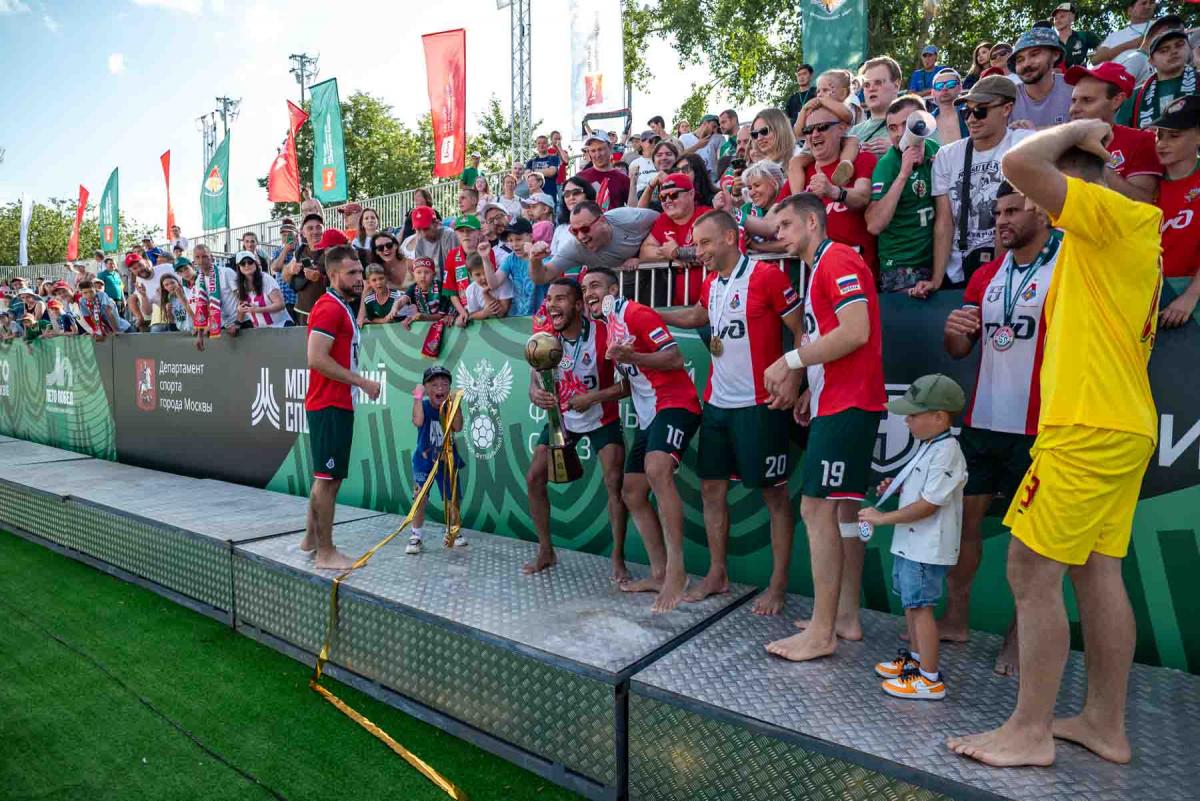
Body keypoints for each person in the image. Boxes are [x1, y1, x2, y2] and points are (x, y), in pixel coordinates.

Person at [947, 118, 1160, 768]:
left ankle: (1029, 731)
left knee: (1030, 569)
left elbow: (1018, 163)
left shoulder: (1107, 215)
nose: (1039, 205)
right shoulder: (1120, 232)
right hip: (1116, 422)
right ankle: (1103, 722)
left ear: (1079, 180)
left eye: (1051, 191)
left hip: (1088, 427)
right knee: (1096, 571)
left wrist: (1084, 127)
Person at [657, 211, 803, 615]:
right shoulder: (711, 283)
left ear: (728, 237)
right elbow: (698, 315)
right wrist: (654, 314)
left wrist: (795, 377)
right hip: (717, 403)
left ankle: (778, 583)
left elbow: (800, 329)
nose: (698, 251)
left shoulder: (766, 277)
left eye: (704, 243)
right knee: (711, 490)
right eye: (695, 244)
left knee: (774, 495)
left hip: (760, 405)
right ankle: (717, 573)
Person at [761, 193, 886, 661]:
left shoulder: (837, 259)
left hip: (850, 404)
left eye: (786, 226)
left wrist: (791, 360)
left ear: (812, 223)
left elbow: (856, 331)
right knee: (842, 513)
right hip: (837, 399)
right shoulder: (821, 266)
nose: (779, 235)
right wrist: (812, 387)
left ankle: (821, 632)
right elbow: (835, 339)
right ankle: (844, 618)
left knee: (816, 509)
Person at [941, 182, 1059, 672]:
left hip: (1039, 427)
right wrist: (954, 333)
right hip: (983, 421)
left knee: (1029, 542)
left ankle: (1017, 637)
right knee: (965, 525)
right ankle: (956, 619)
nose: (1002, 220)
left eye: (1013, 211)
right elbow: (959, 350)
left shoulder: (1066, 266)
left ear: (1042, 214)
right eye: (998, 213)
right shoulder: (986, 275)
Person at [582, 267, 701, 613]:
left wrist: (632, 356)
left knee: (657, 469)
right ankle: (659, 573)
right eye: (585, 288)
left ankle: (678, 572)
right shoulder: (607, 327)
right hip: (650, 417)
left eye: (595, 286)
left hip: (677, 404)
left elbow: (675, 357)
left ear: (613, 290)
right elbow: (628, 383)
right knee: (632, 492)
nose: (589, 293)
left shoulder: (635, 312)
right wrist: (593, 397)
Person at [862, 375, 967, 701]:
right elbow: (922, 491)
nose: (906, 420)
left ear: (939, 417)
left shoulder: (947, 451)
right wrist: (898, 488)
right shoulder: (930, 446)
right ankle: (917, 660)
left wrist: (883, 518)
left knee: (921, 608)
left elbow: (930, 504)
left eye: (913, 415)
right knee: (911, 605)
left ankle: (929, 679)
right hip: (911, 544)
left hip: (926, 547)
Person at [523, 278, 629, 576]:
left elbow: (628, 385)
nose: (551, 305)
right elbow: (534, 379)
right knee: (534, 477)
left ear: (579, 305)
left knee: (614, 483)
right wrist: (535, 393)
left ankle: (618, 559)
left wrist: (592, 398)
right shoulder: (544, 338)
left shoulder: (605, 333)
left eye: (560, 299)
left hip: (602, 418)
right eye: (549, 299)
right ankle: (546, 551)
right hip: (563, 419)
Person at [301, 246, 382, 569]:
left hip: (335, 403)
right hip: (330, 403)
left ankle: (310, 540)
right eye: (352, 273)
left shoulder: (341, 306)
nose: (360, 278)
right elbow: (316, 358)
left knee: (325, 477)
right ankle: (325, 552)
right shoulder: (329, 308)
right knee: (328, 481)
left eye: (361, 271)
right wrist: (361, 381)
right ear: (333, 275)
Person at [923, 76, 1031, 296]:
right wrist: (937, 279)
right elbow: (944, 221)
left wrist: (1000, 276)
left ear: (1006, 109)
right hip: (958, 273)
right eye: (966, 112)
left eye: (981, 111)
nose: (972, 119)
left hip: (1011, 270)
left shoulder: (1024, 143)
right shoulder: (947, 154)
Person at [791, 103, 879, 273]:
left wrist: (834, 191)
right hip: (817, 274)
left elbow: (862, 196)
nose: (815, 134)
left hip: (855, 270)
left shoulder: (862, 159)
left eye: (822, 127)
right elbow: (774, 219)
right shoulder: (802, 171)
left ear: (841, 129)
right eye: (809, 130)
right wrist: (742, 221)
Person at [867, 95, 940, 293]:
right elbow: (874, 225)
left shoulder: (937, 152)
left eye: (906, 124)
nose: (899, 133)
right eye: (892, 128)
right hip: (901, 266)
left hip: (939, 260)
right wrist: (903, 175)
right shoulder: (887, 164)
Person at [1065, 62, 1161, 204]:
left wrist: (1096, 166)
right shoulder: (1061, 143)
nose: (1074, 109)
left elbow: (1144, 202)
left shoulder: (1140, 141)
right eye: (1073, 101)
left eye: (1087, 100)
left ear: (1116, 101)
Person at [407, 365, 466, 554]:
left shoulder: (450, 407)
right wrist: (417, 397)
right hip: (424, 461)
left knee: (452, 498)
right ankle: (416, 536)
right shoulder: (423, 406)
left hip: (447, 461)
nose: (440, 388)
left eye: (444, 384)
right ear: (426, 388)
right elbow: (417, 421)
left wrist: (456, 404)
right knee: (420, 498)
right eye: (434, 385)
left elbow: (458, 427)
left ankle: (453, 532)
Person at [1152, 95, 1200, 328]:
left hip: (1190, 303)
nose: (1162, 144)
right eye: (1159, 135)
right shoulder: (1146, 182)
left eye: (1174, 136)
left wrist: (1191, 296)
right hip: (1147, 294)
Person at [533, 202, 659, 284]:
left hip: (654, 280)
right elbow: (543, 276)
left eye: (585, 229)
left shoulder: (629, 219)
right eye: (574, 231)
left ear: (602, 221)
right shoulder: (575, 247)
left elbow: (664, 222)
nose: (581, 236)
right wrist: (535, 259)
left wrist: (641, 257)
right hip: (618, 288)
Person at [638, 173, 712, 306]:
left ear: (691, 194)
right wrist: (668, 253)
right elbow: (645, 252)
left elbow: (715, 249)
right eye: (662, 197)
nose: (667, 201)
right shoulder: (663, 219)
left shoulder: (707, 216)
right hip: (678, 307)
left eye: (673, 195)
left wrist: (679, 252)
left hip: (711, 304)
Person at [1124, 27, 1196, 130]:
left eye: (1179, 45)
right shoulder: (1135, 95)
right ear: (1151, 61)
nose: (1173, 51)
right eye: (1164, 50)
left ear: (1189, 49)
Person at [1010, 28, 1073, 129]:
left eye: (1034, 54)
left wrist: (1033, 132)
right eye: (1020, 60)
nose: (1026, 64)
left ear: (1055, 54)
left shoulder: (1073, 90)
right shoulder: (1008, 98)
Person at [850, 57, 903, 155]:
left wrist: (897, 150)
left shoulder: (912, 126)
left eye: (878, 83)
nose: (871, 89)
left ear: (896, 86)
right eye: (866, 85)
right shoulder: (853, 132)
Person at [191, 244, 240, 348]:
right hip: (224, 326)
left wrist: (238, 324)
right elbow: (202, 308)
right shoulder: (199, 281)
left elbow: (242, 298)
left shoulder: (226, 272)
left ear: (211, 258)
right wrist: (200, 335)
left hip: (241, 323)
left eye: (204, 256)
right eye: (197, 257)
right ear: (194, 261)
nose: (201, 261)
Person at [400, 206, 459, 283]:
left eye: (426, 229)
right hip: (430, 286)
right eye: (418, 229)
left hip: (450, 285)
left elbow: (456, 268)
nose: (423, 234)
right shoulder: (420, 242)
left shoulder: (449, 236)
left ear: (436, 223)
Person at [235, 251, 292, 328]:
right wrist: (238, 319)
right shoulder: (241, 285)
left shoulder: (266, 279)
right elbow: (242, 310)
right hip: (261, 330)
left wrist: (258, 309)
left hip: (281, 326)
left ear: (255, 264)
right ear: (239, 267)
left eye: (250, 262)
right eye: (243, 263)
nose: (247, 265)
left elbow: (280, 304)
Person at [578, 132, 631, 210]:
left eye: (600, 149)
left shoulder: (623, 179)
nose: (597, 155)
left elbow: (633, 209)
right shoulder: (580, 178)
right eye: (593, 151)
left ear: (610, 148)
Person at [402, 257, 456, 329]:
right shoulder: (413, 288)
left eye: (427, 272)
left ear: (434, 275)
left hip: (447, 323)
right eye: (418, 272)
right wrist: (395, 309)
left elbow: (441, 316)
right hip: (426, 325)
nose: (423, 276)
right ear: (413, 274)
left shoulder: (441, 288)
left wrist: (422, 317)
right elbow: (403, 300)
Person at [1051, 3, 1101, 68]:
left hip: (1080, 74)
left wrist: (1095, 59)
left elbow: (1104, 51)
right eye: (1055, 18)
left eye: (1062, 16)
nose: (1058, 21)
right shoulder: (1050, 43)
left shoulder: (1084, 36)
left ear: (1072, 17)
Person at [463, 253, 511, 320]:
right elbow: (472, 314)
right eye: (478, 275)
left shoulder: (504, 283)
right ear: (471, 275)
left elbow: (501, 313)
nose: (483, 277)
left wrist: (486, 293)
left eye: (485, 272)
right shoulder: (470, 290)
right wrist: (484, 313)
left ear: (492, 268)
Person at [683, 114, 725, 182]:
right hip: (691, 177)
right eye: (713, 126)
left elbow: (722, 158)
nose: (715, 130)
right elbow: (679, 156)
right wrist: (698, 145)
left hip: (711, 178)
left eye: (717, 128)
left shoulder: (718, 138)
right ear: (705, 123)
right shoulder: (684, 138)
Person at [930, 69, 967, 144]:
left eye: (951, 84)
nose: (944, 88)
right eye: (939, 86)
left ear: (960, 87)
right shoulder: (928, 122)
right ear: (933, 92)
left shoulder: (971, 113)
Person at [527, 135, 562, 203]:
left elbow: (551, 172)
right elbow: (527, 176)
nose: (541, 145)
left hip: (550, 195)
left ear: (548, 145)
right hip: (534, 198)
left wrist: (534, 172)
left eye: (544, 143)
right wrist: (546, 171)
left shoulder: (554, 158)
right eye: (539, 143)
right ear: (536, 145)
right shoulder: (531, 162)